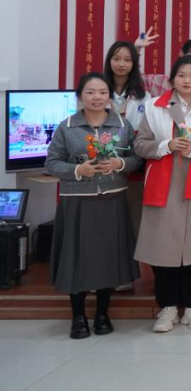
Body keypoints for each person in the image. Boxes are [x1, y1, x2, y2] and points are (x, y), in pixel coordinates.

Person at [46, 73, 142, 339]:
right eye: (90, 92)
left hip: (112, 199)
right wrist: (78, 170)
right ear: (80, 97)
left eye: (102, 92)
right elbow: (51, 163)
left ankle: (102, 314)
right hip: (77, 202)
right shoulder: (66, 127)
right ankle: (78, 317)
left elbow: (137, 158)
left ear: (109, 96)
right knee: (76, 259)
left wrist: (120, 164)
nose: (97, 97)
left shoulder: (122, 124)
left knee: (108, 259)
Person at [134, 55, 191, 333]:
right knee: (164, 247)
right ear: (173, 78)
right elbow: (140, 144)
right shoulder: (154, 106)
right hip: (165, 181)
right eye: (182, 75)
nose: (187, 80)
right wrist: (166, 145)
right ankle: (168, 306)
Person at [103, 40, 152, 285]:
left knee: (132, 220)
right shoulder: (99, 89)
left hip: (134, 167)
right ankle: (104, 273)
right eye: (116, 58)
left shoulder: (144, 96)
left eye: (127, 59)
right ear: (109, 61)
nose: (121, 64)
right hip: (102, 167)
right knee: (106, 222)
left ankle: (126, 275)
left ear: (134, 64)